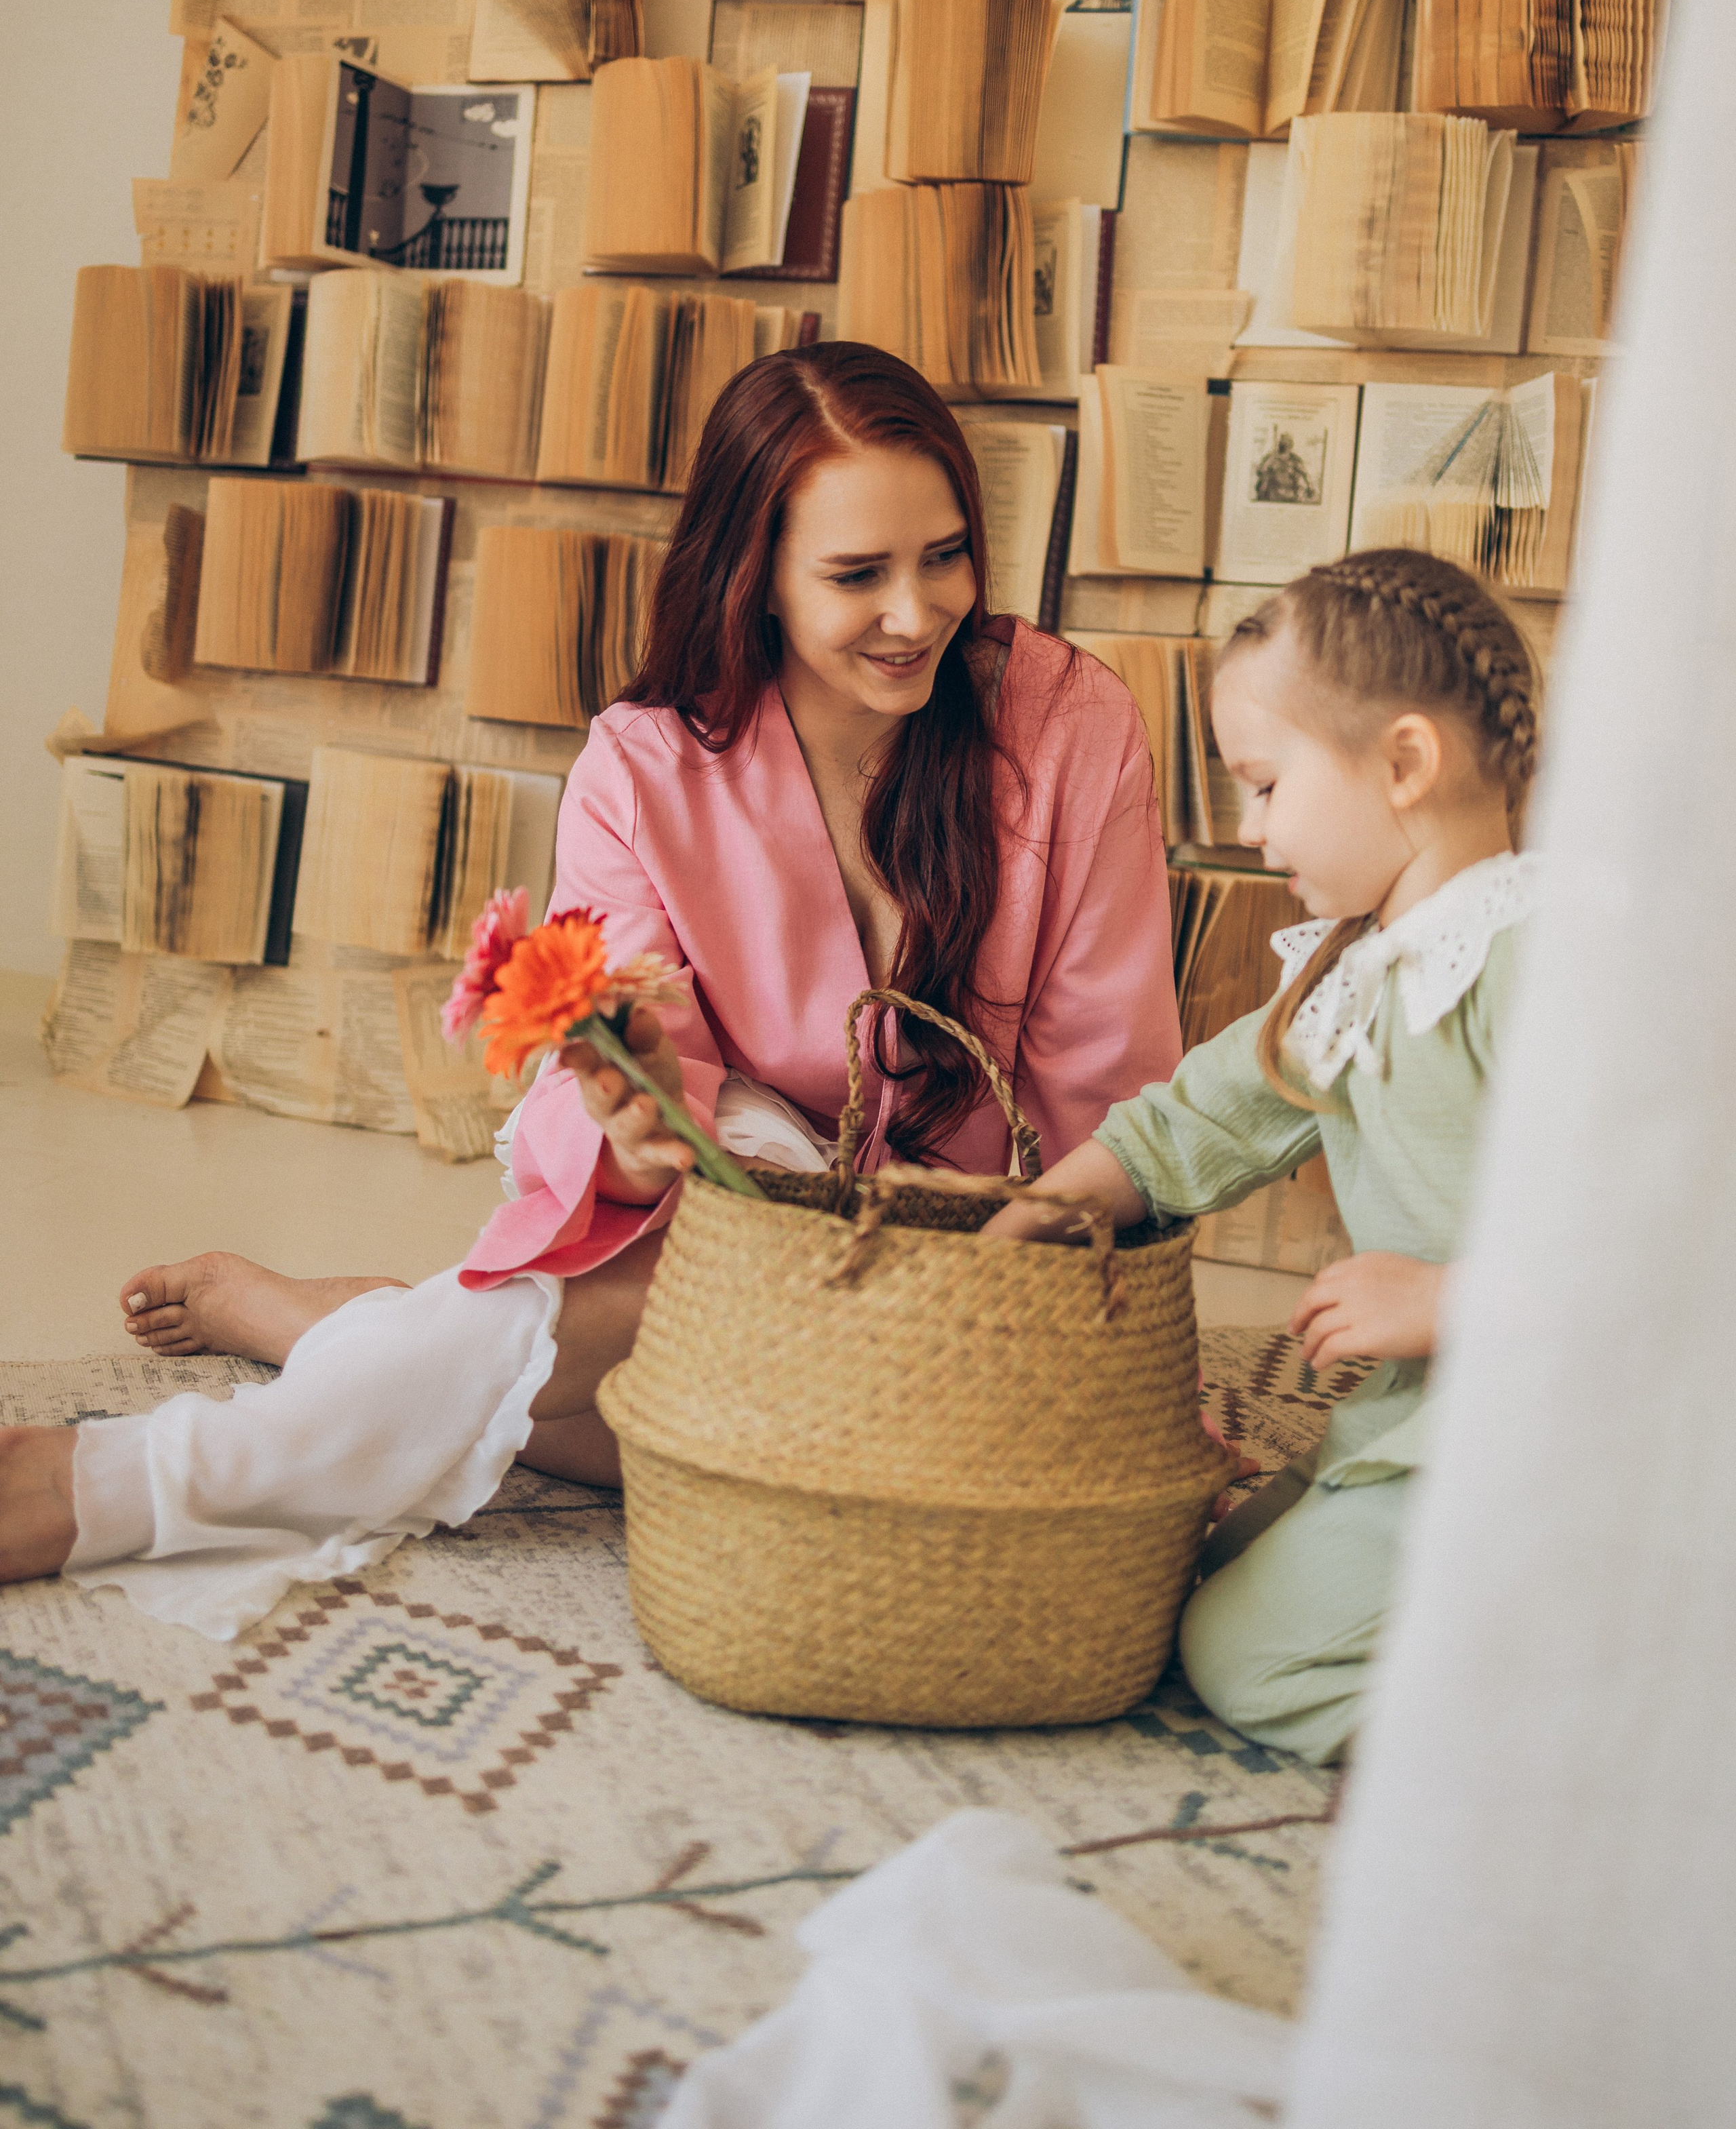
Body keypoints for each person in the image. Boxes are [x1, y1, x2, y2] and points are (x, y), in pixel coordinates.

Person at [0, 344, 1183, 1636]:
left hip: (995, 1225)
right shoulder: (644, 765)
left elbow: (1108, 1078)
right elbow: (644, 1128)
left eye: (944, 555)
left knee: (741, 1428)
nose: (918, 611)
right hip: (718, 1196)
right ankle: (118, 1484)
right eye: (857, 574)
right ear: (759, 578)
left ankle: (328, 1332)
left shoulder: (1076, 728)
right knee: (726, 1338)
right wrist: (643, 1117)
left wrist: (955, 1229)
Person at [983, 546, 1541, 1765]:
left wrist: (1460, 1299)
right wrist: (1053, 1206)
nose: (1247, 826)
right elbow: (1200, 1118)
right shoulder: (1353, 971)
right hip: (1410, 1430)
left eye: (1268, 785)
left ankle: (1577, 1745)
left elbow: (1670, 1226)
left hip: (1553, 1433)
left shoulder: (1526, 957)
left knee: (1246, 1659)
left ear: (1403, 764)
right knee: (1206, 1561)